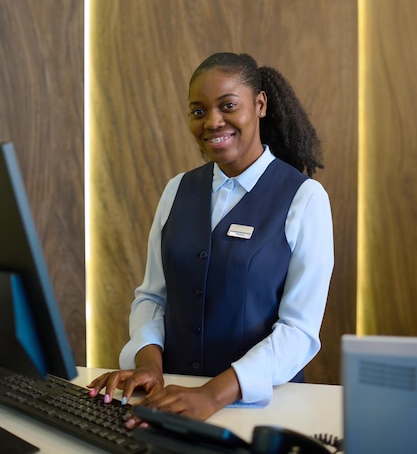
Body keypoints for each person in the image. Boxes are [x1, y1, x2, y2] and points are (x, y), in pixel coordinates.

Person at [87, 52, 334, 423]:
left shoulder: (304, 198)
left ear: (260, 105)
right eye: (198, 111)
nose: (212, 122)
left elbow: (299, 331)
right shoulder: (177, 189)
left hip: (260, 409)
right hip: (171, 400)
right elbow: (153, 297)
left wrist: (213, 395)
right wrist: (150, 365)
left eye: (228, 106)